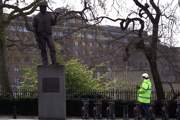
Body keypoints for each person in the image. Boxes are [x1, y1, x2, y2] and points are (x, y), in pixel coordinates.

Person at [33, 0, 58, 65]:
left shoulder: (49, 15)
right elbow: (34, 28)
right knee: (43, 49)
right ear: (40, 7)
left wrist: (55, 17)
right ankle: (45, 63)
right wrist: (36, 37)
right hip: (41, 35)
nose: (44, 8)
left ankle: (54, 62)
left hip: (48, 34)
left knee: (52, 48)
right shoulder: (36, 17)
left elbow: (53, 23)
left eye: (45, 7)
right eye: (43, 7)